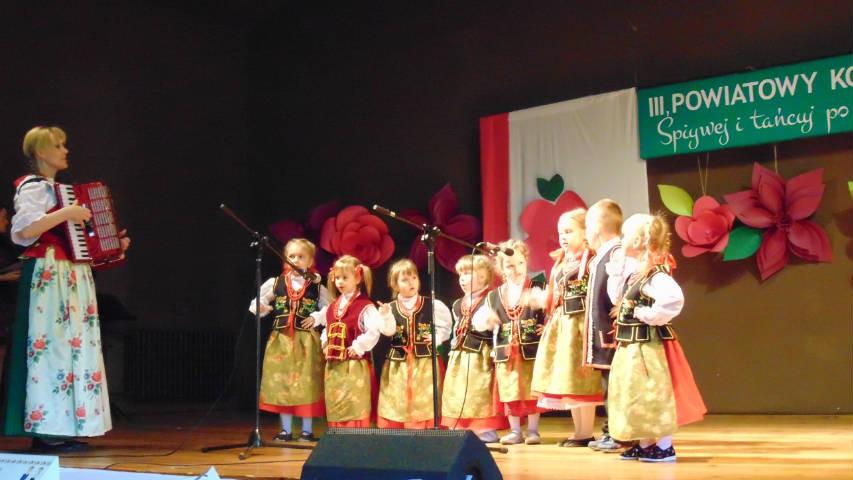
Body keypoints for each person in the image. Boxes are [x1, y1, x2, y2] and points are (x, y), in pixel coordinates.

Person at [1, 126, 129, 452]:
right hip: (50, 274)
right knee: (51, 349)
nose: (65, 151)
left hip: (70, 275)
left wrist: (112, 246)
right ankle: (45, 430)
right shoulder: (33, 189)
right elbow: (23, 232)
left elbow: (79, 244)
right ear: (41, 152)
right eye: (58, 146)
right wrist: (66, 213)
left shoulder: (62, 192)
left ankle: (65, 426)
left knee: (73, 349)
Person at [606, 213, 706, 462]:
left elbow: (673, 299)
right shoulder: (636, 274)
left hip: (648, 348)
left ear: (640, 241)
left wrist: (646, 313)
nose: (622, 239)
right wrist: (617, 272)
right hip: (631, 346)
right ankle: (644, 441)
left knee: (653, 393)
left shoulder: (656, 276)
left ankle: (662, 445)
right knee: (635, 394)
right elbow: (616, 298)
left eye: (626, 235)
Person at [530, 209, 603, 447]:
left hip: (580, 324)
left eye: (569, 231)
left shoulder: (592, 259)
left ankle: (586, 432)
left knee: (582, 377)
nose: (563, 236)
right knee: (568, 378)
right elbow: (554, 294)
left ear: (586, 233)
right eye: (560, 232)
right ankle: (579, 432)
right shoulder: (562, 261)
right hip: (563, 323)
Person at [248, 238, 328, 441]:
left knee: (306, 384)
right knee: (283, 384)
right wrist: (263, 308)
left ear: (310, 260)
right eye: (292, 256)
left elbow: (331, 308)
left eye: (301, 256)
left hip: (306, 342)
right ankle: (286, 430)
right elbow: (257, 301)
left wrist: (316, 317)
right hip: (281, 340)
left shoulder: (317, 286)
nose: (296, 260)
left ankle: (307, 431)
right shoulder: (276, 283)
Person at [311, 255, 394, 428]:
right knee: (336, 402)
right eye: (337, 277)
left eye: (345, 277)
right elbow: (328, 327)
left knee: (354, 402)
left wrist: (359, 346)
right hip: (334, 365)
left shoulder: (365, 306)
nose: (340, 282)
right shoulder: (333, 306)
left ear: (357, 278)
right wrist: (325, 342)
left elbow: (374, 330)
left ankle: (356, 436)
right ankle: (337, 436)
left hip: (354, 364)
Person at [482, 240, 546, 445]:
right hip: (505, 350)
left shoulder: (538, 287)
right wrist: (488, 321)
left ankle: (533, 430)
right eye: (510, 265)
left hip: (530, 348)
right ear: (501, 269)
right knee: (509, 389)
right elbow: (485, 320)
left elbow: (551, 310)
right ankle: (515, 430)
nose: (516, 269)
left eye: (520, 263)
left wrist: (546, 326)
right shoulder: (493, 296)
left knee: (531, 389)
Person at [376, 258, 451, 429]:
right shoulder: (390, 307)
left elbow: (445, 328)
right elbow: (387, 331)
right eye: (405, 279)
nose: (411, 282)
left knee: (425, 396)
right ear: (395, 285)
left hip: (425, 361)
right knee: (398, 396)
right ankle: (400, 426)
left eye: (414, 278)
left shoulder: (432, 305)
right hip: (399, 362)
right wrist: (386, 316)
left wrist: (437, 338)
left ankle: (427, 426)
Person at [440, 254, 507, 442]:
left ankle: (484, 429)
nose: (462, 278)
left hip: (480, 353)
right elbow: (456, 327)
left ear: (484, 275)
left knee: (479, 391)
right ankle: (460, 425)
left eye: (468, 273)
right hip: (460, 353)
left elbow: (497, 328)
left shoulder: (491, 298)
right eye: (460, 274)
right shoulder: (457, 304)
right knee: (458, 391)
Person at [583, 199, 626, 452]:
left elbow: (620, 289)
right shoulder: (603, 254)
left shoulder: (617, 253)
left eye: (588, 225)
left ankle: (618, 432)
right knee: (608, 385)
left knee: (615, 385)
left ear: (598, 226)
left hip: (612, 334)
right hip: (603, 333)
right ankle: (612, 430)